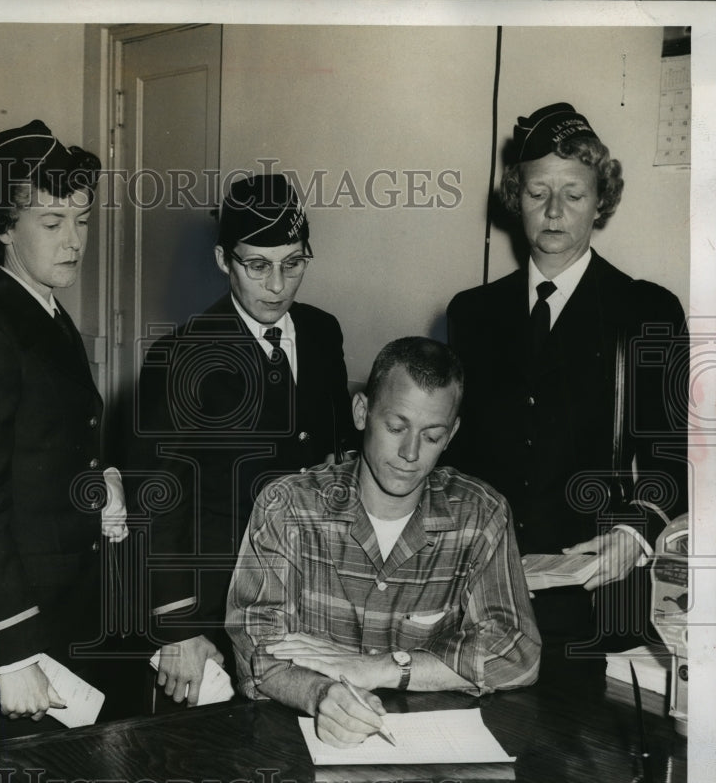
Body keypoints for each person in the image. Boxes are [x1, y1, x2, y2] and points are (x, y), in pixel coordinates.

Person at [445, 103, 688, 653]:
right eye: (537, 194)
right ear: (515, 198)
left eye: (574, 194)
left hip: (603, 602)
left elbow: (672, 458)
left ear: (601, 199)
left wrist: (634, 533)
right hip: (487, 596)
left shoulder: (646, 310)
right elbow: (454, 459)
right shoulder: (472, 313)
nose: (554, 211)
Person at [225, 337, 541, 747]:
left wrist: (381, 667)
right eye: (396, 427)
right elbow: (256, 651)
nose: (410, 453)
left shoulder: (480, 515)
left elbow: (517, 652)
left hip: (428, 752)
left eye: (432, 436)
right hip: (299, 744)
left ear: (452, 434)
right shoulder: (288, 506)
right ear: (362, 412)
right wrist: (321, 694)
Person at [0, 121, 131, 739]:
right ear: (3, 229)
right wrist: (12, 651)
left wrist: (102, 483)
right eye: (51, 223)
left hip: (65, 608)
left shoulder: (45, 314)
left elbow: (45, 452)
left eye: (82, 219)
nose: (74, 241)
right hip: (22, 630)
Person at [133, 173, 357, 706]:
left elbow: (339, 455)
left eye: (293, 263)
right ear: (222, 261)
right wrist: (178, 626)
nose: (277, 285)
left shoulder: (324, 333)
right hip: (217, 606)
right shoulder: (180, 356)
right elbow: (156, 501)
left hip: (314, 600)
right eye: (257, 265)